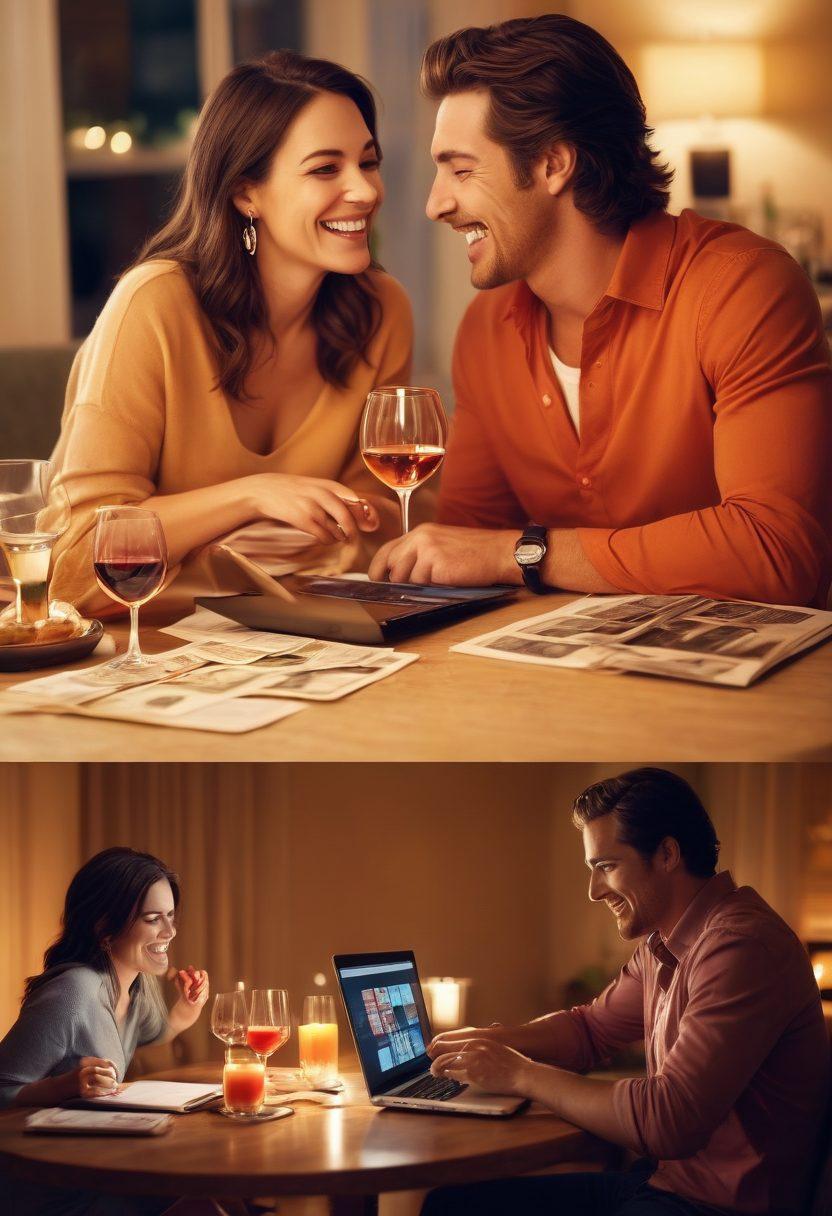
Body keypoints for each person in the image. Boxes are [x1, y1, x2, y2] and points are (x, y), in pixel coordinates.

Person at [369, 15, 832, 607]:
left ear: (553, 164)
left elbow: (777, 550)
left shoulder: (741, 288)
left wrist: (524, 554)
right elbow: (470, 547)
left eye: (461, 170)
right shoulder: (486, 331)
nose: (437, 203)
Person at [50, 50, 417, 617]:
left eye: (368, 162)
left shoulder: (381, 310)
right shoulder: (154, 305)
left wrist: (352, 525)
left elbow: (381, 524)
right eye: (326, 168)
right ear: (247, 193)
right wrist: (251, 496)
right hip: (146, 649)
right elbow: (73, 567)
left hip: (298, 636)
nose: (366, 191)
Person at [422, 767, 829, 1216]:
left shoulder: (740, 947)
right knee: (450, 1206)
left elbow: (670, 1119)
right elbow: (590, 1029)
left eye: (607, 867)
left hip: (716, 1208)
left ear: (668, 853)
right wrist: (492, 1042)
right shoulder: (665, 942)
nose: (594, 891)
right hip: (665, 1185)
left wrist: (521, 1074)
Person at [0, 847, 210, 1215]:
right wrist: (59, 1088)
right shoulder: (72, 994)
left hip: (99, 1172)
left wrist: (184, 1011)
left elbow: (150, 1033)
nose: (170, 931)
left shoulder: (135, 984)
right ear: (104, 927)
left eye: (171, 915)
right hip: (54, 1195)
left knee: (209, 1197)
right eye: (152, 919)